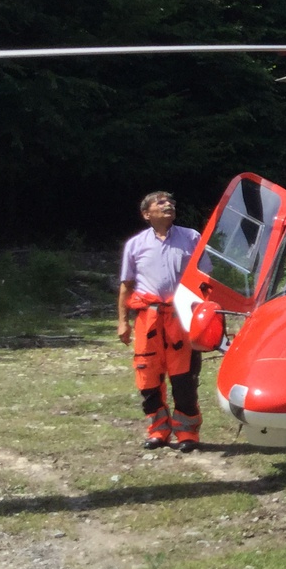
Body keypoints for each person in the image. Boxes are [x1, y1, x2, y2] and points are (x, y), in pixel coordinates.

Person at [118, 191, 204, 450]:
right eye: (161, 203)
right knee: (148, 380)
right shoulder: (135, 244)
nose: (169, 205)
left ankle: (187, 434)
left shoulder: (191, 237)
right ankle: (158, 431)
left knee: (184, 380)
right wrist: (123, 322)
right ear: (147, 214)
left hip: (181, 317)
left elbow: (205, 281)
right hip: (149, 320)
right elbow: (126, 286)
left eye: (172, 203)